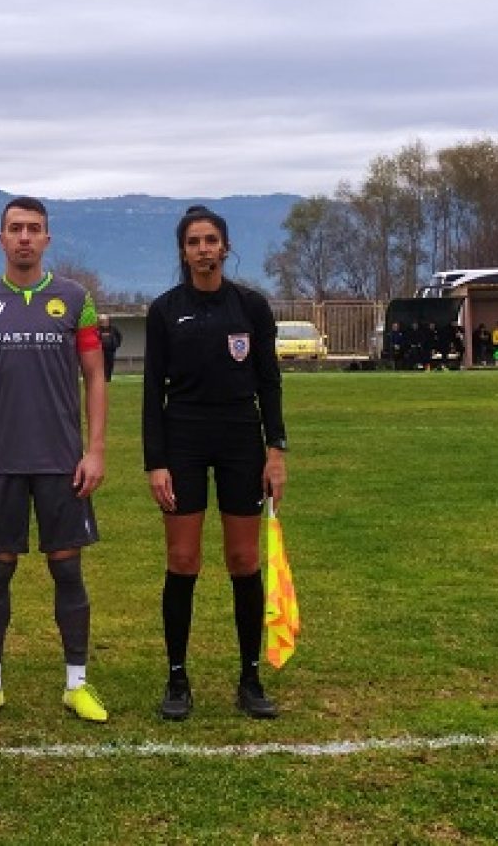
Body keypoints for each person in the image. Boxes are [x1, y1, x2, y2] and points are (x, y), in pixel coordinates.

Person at [0, 196, 110, 723]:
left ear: (47, 238)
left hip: (62, 461)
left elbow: (95, 376)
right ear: (1, 238)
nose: (24, 237)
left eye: (33, 228)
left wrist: (95, 449)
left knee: (68, 568)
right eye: (15, 228)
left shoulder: (75, 299)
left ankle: (76, 684)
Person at [142, 205, 286, 721]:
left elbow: (269, 382)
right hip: (183, 437)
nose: (203, 249)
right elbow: (151, 392)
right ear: (183, 251)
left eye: (211, 240)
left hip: (240, 438)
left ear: (225, 247)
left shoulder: (251, 307)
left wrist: (275, 451)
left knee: (244, 560)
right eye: (193, 242)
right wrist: (156, 462)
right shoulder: (165, 310)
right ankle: (177, 678)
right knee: (183, 559)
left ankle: (250, 677)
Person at [98, 314, 124, 382]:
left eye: (104, 320)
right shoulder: (98, 329)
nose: (103, 322)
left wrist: (116, 344)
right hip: (100, 351)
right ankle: (102, 378)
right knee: (102, 364)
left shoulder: (113, 329)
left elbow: (119, 337)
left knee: (110, 364)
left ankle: (108, 378)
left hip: (111, 350)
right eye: (101, 321)